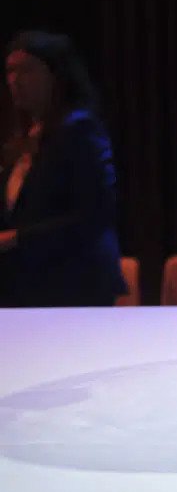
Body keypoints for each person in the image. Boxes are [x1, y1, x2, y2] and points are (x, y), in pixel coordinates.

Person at [0, 31, 127, 306]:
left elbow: (94, 214)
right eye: (10, 71)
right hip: (27, 286)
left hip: (75, 284)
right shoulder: (24, 137)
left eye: (27, 70)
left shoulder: (80, 129)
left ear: (55, 76)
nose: (15, 81)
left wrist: (16, 238)